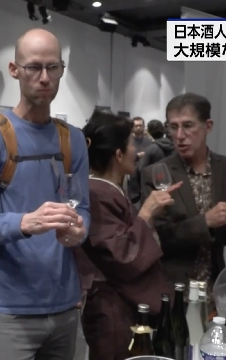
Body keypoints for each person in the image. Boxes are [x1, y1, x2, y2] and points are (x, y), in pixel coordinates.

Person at [0, 28, 90, 360]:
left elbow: (83, 208)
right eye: (34, 67)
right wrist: (27, 222)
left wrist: (79, 230)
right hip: (7, 308)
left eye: (53, 68)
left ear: (62, 69)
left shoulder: (72, 139)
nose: (44, 78)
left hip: (64, 303)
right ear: (14, 70)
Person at [76, 111, 178, 360]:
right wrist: (145, 214)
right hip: (111, 308)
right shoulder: (97, 194)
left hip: (120, 304)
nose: (137, 150)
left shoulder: (107, 191)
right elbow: (121, 255)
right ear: (119, 154)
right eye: (132, 143)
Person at [140, 93, 226, 297]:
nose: (180, 135)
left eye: (188, 126)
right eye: (173, 127)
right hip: (174, 289)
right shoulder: (157, 174)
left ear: (207, 126)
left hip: (215, 287)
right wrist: (206, 221)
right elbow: (162, 238)